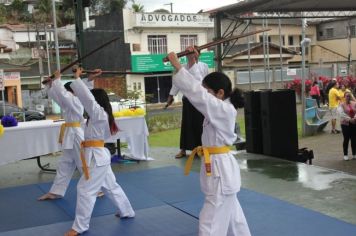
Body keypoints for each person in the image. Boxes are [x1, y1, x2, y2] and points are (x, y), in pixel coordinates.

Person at [167, 50, 251, 236]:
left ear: (220, 93)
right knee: (234, 218)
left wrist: (178, 66)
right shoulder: (220, 106)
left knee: (210, 222)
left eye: (209, 91)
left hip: (220, 171)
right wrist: (190, 61)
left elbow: (198, 93)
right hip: (221, 169)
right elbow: (198, 87)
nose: (205, 94)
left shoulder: (223, 109)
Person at [65, 68, 135, 236]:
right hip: (97, 156)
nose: (86, 105)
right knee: (111, 186)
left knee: (85, 190)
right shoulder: (97, 115)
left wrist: (77, 78)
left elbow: (88, 99)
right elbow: (88, 98)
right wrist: (88, 79)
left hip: (96, 157)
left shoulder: (99, 114)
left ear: (97, 103)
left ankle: (79, 226)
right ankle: (127, 211)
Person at [38, 71, 85, 200]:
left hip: (76, 134)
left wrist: (57, 80)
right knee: (65, 163)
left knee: (83, 162)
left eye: (68, 91)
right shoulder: (68, 102)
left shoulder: (76, 101)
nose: (66, 93)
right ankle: (56, 191)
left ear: (73, 92)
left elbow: (63, 96)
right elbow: (58, 97)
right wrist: (50, 85)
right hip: (70, 133)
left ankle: (96, 188)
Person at [165, 46, 208, 159]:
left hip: (199, 101)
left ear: (198, 54)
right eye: (189, 54)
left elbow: (199, 81)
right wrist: (171, 96)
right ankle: (183, 150)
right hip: (188, 100)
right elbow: (177, 83)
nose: (191, 56)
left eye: (193, 53)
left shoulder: (203, 66)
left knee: (200, 124)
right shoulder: (183, 67)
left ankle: (201, 149)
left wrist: (193, 61)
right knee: (186, 125)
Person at [337, 91, 356, 161]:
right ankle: (345, 154)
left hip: (354, 123)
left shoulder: (354, 103)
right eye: (347, 96)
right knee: (346, 139)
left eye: (349, 96)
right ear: (344, 97)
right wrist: (349, 119)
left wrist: (355, 118)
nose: (348, 97)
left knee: (354, 139)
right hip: (345, 124)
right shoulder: (341, 105)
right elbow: (341, 114)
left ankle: (354, 154)